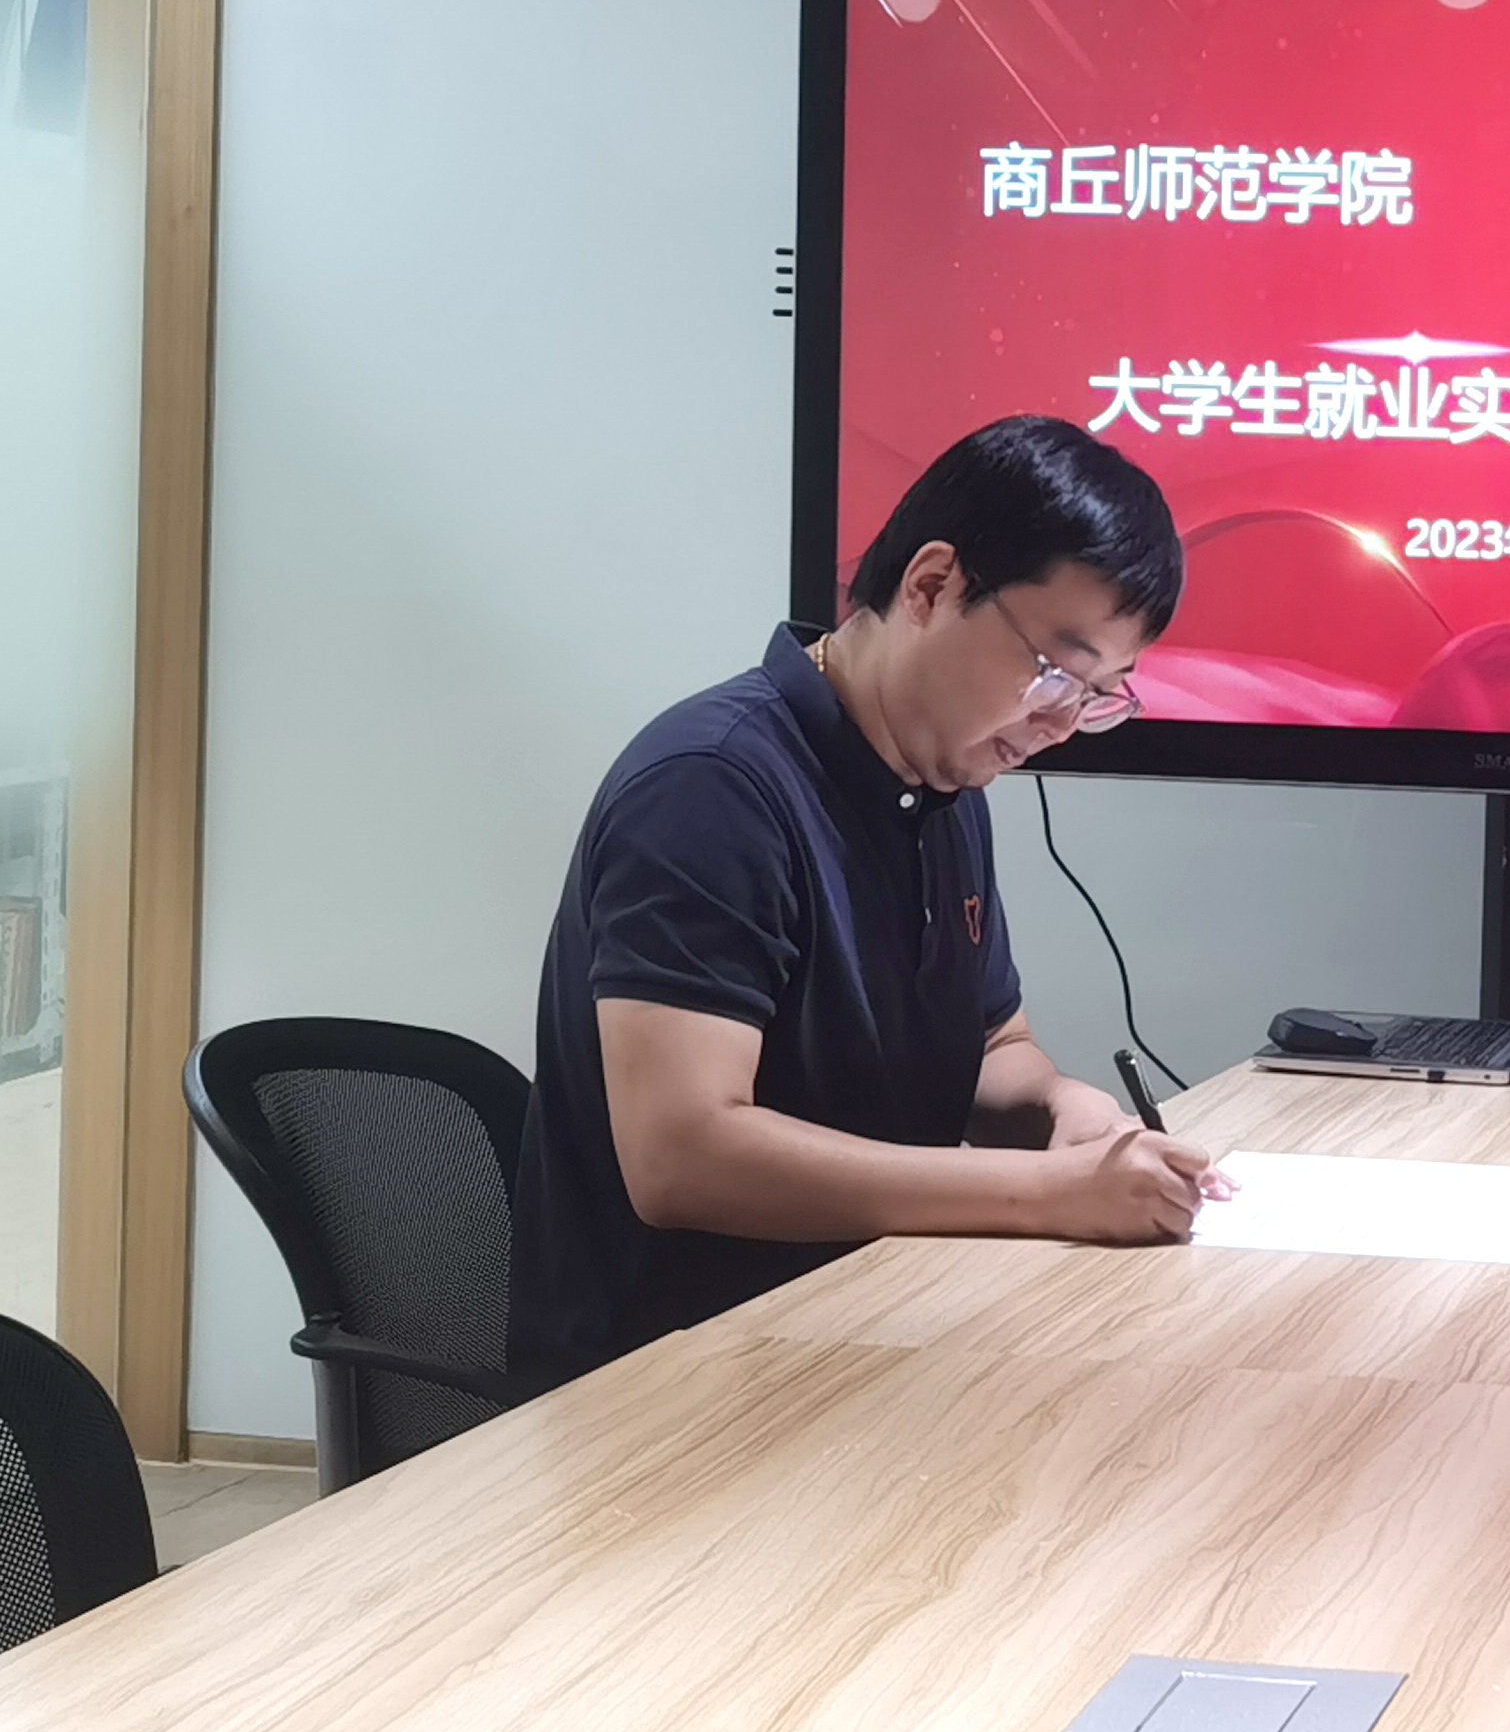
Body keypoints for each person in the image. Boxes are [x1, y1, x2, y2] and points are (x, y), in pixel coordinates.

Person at [507, 415, 1228, 1388]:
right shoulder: (712, 786)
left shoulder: (942, 782)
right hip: (668, 1386)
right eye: (1056, 671)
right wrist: (1043, 1190)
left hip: (868, 1331)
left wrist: (1063, 1108)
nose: (1062, 723)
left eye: (1101, 694)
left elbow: (994, 1047)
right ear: (931, 586)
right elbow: (683, 1154)